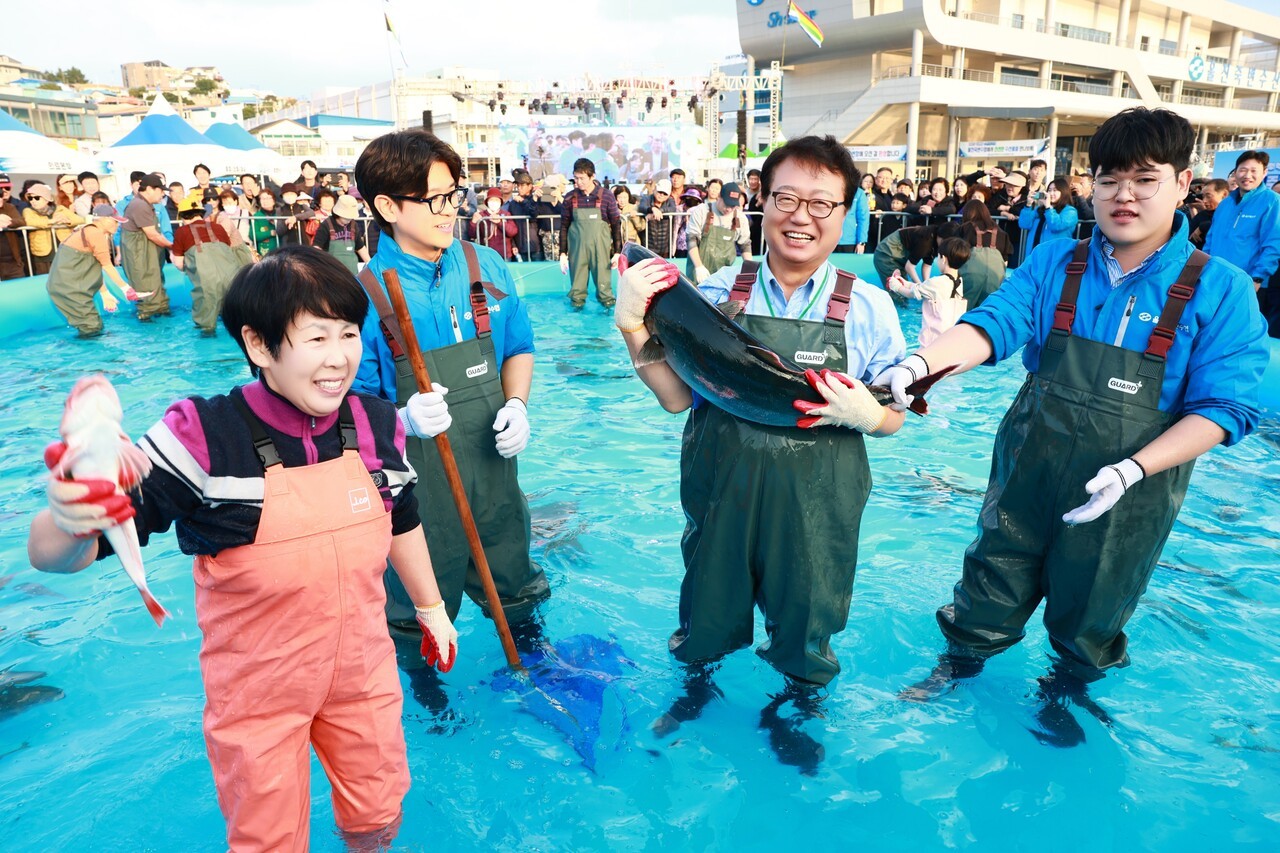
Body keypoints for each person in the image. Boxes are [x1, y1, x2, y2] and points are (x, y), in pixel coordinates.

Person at [28, 246, 457, 849]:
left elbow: (401, 517)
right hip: (258, 695)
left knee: (379, 813)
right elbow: (71, 552)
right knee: (267, 837)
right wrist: (67, 517)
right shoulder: (204, 436)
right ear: (258, 344)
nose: (340, 358)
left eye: (348, 334)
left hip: (364, 672)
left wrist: (432, 609)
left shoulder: (377, 422)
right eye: (316, 338)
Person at [888, 108, 1267, 745]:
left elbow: (1227, 408)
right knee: (992, 572)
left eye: (1144, 179)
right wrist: (924, 363)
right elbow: (997, 322)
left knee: (1096, 604)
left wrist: (1133, 469)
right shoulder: (1057, 262)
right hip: (1030, 467)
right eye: (1109, 179)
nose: (1124, 196)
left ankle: (1065, 692)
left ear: (1183, 183)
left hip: (1132, 489)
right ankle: (958, 667)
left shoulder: (1221, 289)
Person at [614, 135, 906, 756]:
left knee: (809, 613)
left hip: (819, 501)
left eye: (822, 204)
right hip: (722, 490)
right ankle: (695, 691)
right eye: (786, 198)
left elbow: (894, 420)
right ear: (763, 202)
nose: (802, 217)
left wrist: (868, 413)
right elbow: (676, 398)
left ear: (846, 213)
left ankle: (797, 710)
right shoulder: (718, 292)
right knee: (706, 606)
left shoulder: (870, 308)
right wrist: (634, 327)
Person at [351, 129, 549, 695]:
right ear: (388, 206)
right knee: (416, 610)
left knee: (516, 581)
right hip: (415, 492)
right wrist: (402, 419)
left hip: (492, 472)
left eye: (454, 195)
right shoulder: (362, 295)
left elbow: (518, 346)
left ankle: (537, 671)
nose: (450, 210)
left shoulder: (485, 264)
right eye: (434, 199)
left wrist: (517, 405)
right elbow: (347, 410)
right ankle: (433, 707)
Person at [44, 204, 146, 337]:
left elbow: (95, 268)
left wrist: (105, 293)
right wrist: (126, 289)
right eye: (116, 221)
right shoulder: (95, 234)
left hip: (66, 287)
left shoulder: (87, 231)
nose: (118, 225)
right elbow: (107, 265)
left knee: (93, 327)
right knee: (91, 328)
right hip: (70, 289)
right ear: (105, 220)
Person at [1203, 150, 1280, 295]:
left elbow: (1273, 244)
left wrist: (1258, 277)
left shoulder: (1272, 202)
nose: (1247, 175)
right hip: (1214, 278)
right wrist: (1204, 267)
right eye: (1243, 170)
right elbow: (1211, 239)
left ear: (1264, 173)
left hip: (1247, 282)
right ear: (1235, 172)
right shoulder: (1225, 203)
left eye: (1253, 171)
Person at [170, 197, 247, 335]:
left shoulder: (182, 231)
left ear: (183, 216)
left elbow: (179, 263)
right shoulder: (218, 227)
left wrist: (187, 267)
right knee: (235, 321)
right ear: (201, 213)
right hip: (232, 278)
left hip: (206, 283)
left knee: (206, 326)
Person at [558, 158, 621, 309]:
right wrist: (562, 253)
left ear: (592, 176)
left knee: (605, 291)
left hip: (600, 251)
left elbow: (616, 223)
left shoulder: (606, 196)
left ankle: (608, 315)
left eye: (582, 178)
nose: (578, 182)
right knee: (577, 293)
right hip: (577, 251)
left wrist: (618, 252)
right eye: (576, 178)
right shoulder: (569, 198)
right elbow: (564, 226)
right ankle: (577, 317)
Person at [886, 236, 971, 347]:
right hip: (951, 340)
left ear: (943, 259)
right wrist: (905, 283)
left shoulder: (936, 282)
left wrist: (896, 286)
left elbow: (911, 294)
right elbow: (925, 288)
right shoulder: (958, 281)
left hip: (932, 343)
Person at [119, 174, 173, 320]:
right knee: (147, 292)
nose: (163, 194)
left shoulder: (145, 204)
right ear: (149, 189)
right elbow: (152, 235)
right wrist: (173, 246)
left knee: (157, 290)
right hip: (140, 257)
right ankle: (147, 325)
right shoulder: (140, 205)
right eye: (160, 190)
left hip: (148, 256)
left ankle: (162, 316)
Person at [686, 181, 752, 280]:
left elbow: (745, 245)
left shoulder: (740, 218)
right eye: (727, 204)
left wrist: (751, 270)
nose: (729, 209)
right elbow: (691, 240)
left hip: (724, 274)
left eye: (733, 206)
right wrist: (699, 267)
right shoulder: (702, 211)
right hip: (699, 270)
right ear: (719, 197)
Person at [958, 200, 1011, 308]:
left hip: (970, 276)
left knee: (963, 309)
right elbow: (1005, 262)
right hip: (995, 277)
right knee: (988, 310)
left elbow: (955, 254)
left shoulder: (965, 228)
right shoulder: (1001, 232)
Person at [22, 182, 82, 275]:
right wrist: (52, 221)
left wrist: (67, 220)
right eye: (30, 198)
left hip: (64, 250)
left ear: (47, 199)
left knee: (68, 276)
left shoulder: (60, 209)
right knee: (45, 278)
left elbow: (80, 219)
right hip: (42, 253)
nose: (33, 201)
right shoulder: (28, 211)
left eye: (37, 198)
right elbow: (30, 222)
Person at [311, 193, 369, 275]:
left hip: (352, 272)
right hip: (332, 272)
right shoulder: (326, 225)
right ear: (338, 213)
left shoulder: (353, 225)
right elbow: (317, 248)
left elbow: (360, 247)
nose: (349, 220)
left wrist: (370, 265)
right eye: (346, 217)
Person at [1018, 177, 1080, 254]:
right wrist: (1028, 205)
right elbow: (1024, 224)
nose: (1051, 193)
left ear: (1064, 192)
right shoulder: (1040, 209)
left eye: (1055, 190)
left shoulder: (1070, 211)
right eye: (1049, 190)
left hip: (1056, 254)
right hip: (1034, 252)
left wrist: (1048, 207)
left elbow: (1056, 225)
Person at [873, 223, 937, 293]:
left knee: (903, 290)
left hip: (899, 258)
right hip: (887, 254)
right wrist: (921, 287)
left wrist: (926, 287)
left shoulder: (934, 243)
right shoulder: (925, 242)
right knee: (897, 293)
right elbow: (909, 267)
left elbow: (927, 264)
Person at [472, 188, 520, 260]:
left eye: (496, 200)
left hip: (504, 254)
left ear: (500, 202)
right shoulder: (481, 215)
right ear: (487, 201)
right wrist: (473, 222)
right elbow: (472, 234)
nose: (494, 203)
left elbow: (513, 231)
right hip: (486, 253)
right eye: (491, 200)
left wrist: (500, 222)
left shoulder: (506, 214)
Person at [638, 178, 679, 257]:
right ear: (655, 189)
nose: (661, 195)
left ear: (668, 195)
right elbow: (642, 207)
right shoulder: (646, 198)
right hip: (648, 245)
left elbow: (673, 209)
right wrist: (652, 209)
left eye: (665, 193)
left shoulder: (670, 201)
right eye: (660, 192)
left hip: (664, 247)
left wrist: (659, 211)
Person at [505, 175, 542, 260]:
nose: (519, 188)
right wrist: (513, 244)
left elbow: (533, 214)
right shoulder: (513, 203)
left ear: (530, 186)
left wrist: (523, 201)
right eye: (518, 185)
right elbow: (511, 224)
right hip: (520, 245)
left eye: (522, 185)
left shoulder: (535, 199)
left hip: (536, 245)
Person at [0, 173, 27, 279]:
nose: (1, 197)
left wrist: (8, 222)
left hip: (13, 262)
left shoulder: (10, 207)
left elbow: (21, 221)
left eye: (7, 188)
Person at [836, 178, 870, 254]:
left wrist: (861, 242)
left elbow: (863, 219)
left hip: (849, 240)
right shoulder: (829, 189)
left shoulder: (858, 193)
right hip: (828, 240)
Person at [253, 189, 281, 256]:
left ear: (273, 201)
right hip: (264, 251)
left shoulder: (280, 213)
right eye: (262, 199)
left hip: (281, 250)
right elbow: (253, 235)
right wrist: (270, 233)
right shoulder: (256, 216)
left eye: (268, 198)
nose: (265, 201)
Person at [745, 168, 765, 256]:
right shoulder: (745, 193)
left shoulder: (762, 193)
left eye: (755, 179)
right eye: (751, 179)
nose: (753, 182)